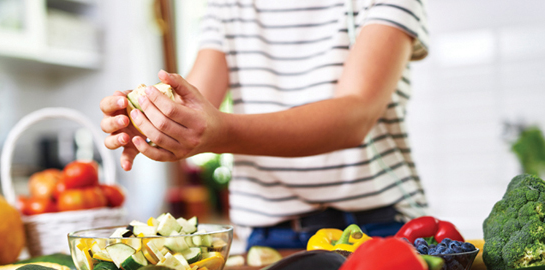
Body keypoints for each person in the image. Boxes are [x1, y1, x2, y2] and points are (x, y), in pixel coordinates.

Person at [100, 0, 430, 249]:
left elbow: (355, 117)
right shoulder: (230, 4)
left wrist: (221, 132)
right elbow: (193, 105)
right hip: (269, 239)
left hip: (385, 228)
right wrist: (151, 120)